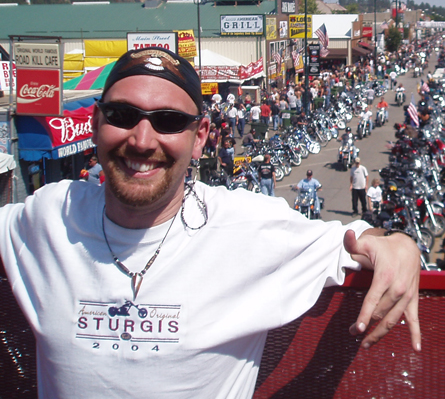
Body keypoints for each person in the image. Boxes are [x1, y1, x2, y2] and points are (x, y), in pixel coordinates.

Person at [0, 47, 421, 397]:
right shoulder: (48, 216)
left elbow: (357, 240)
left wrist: (399, 245)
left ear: (199, 137)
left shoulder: (250, 226)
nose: (142, 140)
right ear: (96, 123)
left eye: (167, 121)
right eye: (123, 115)